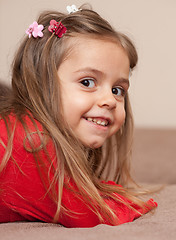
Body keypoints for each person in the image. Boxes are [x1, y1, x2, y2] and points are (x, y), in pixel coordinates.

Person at [0, 4, 157, 228]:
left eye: (117, 90)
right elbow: (90, 212)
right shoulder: (30, 142)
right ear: (42, 86)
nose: (110, 100)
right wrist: (132, 202)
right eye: (87, 82)